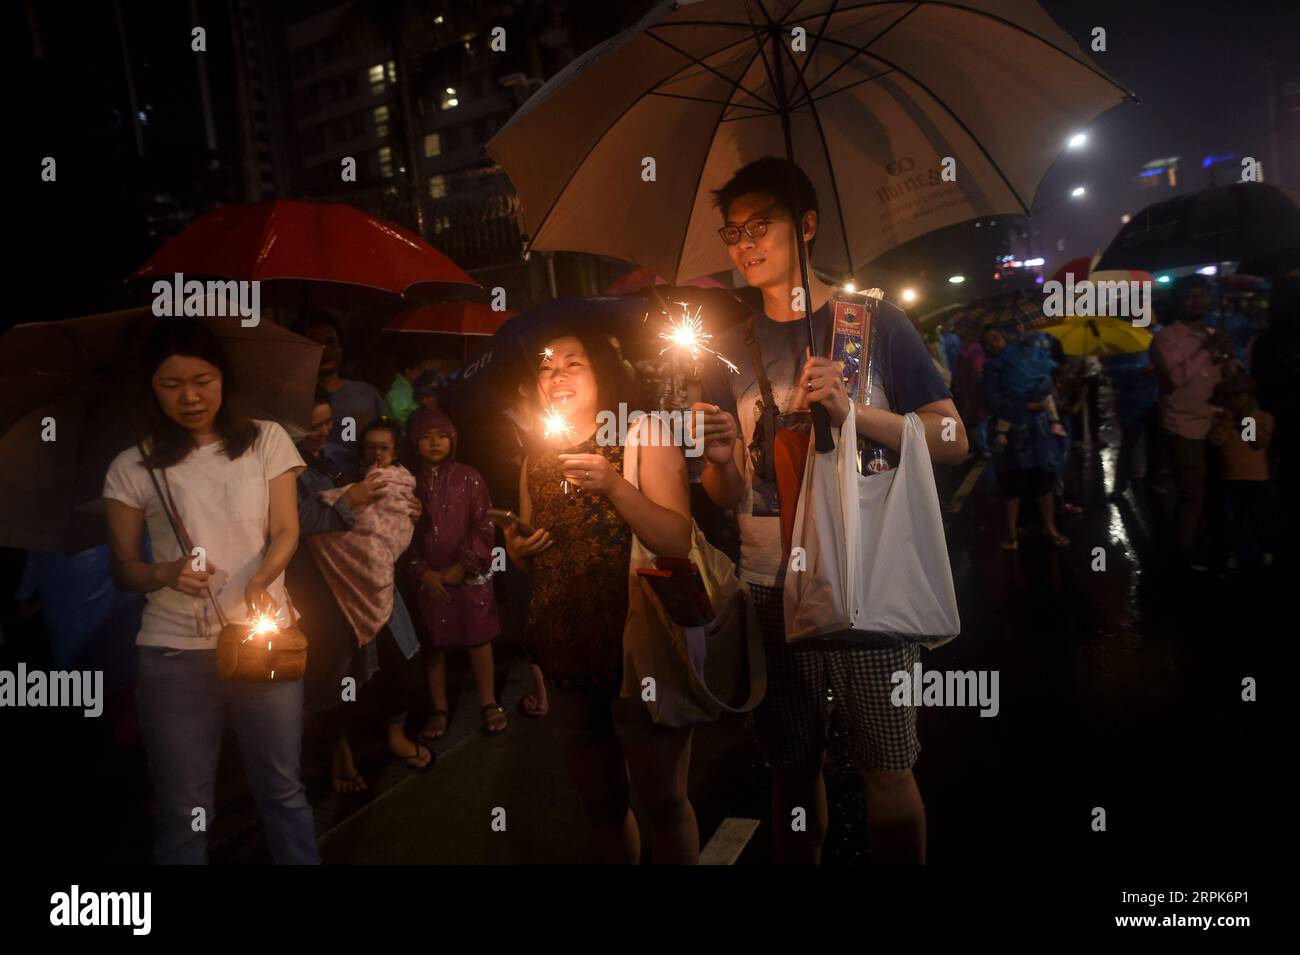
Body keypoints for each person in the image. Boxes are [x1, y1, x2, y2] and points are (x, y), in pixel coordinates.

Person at [693, 157, 968, 865]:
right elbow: (727, 497)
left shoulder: (872, 324)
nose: (744, 243)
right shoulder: (726, 352)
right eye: (732, 231)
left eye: (762, 225)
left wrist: (854, 410)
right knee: (790, 767)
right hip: (769, 582)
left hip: (866, 569)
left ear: (808, 225)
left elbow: (950, 437)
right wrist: (720, 460)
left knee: (888, 765)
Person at [102, 318, 318, 864]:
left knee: (283, 789)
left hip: (264, 643)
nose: (191, 397)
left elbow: (287, 529)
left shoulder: (267, 439)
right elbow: (124, 568)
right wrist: (163, 572)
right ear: (150, 390)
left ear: (225, 378)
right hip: (174, 655)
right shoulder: (133, 468)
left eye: (203, 380)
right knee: (184, 807)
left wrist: (263, 578)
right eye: (171, 386)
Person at [504, 327, 698, 864]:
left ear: (602, 374)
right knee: (602, 806)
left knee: (664, 802)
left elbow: (677, 539)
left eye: (574, 362)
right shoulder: (534, 459)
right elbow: (528, 543)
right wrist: (516, 546)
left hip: (640, 647)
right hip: (567, 653)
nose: (557, 373)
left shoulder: (641, 434)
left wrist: (614, 485)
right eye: (546, 366)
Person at [289, 398, 431, 794]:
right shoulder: (283, 467)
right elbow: (290, 521)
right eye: (311, 424)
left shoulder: (340, 456)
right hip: (319, 583)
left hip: (371, 575)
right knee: (332, 671)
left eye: (327, 422)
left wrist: (408, 509)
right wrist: (349, 501)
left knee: (396, 654)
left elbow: (381, 496)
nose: (321, 431)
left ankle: (395, 733)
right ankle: (340, 752)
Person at [405, 408, 506, 741]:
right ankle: (439, 708)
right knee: (434, 644)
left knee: (478, 638)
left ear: (453, 439)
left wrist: (463, 565)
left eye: (442, 435)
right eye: (425, 436)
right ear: (413, 441)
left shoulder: (470, 477)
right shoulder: (406, 481)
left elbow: (484, 524)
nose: (435, 442)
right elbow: (397, 532)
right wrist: (423, 572)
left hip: (467, 574)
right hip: (428, 579)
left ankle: (489, 701)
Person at [1149, 275, 1237, 571]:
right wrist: (1205, 350)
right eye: (1190, 295)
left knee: (1217, 490)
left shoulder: (1213, 334)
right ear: (1178, 301)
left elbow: (1229, 378)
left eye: (1203, 294)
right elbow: (1174, 379)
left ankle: (1216, 543)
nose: (1198, 300)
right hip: (1183, 427)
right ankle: (1183, 554)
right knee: (1192, 494)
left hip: (1217, 424)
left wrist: (1227, 356)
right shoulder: (1165, 339)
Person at [981, 327, 1070, 550]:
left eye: (996, 337)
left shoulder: (1030, 357)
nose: (993, 343)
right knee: (1013, 483)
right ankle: (1012, 534)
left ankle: (1050, 527)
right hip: (1011, 436)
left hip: (1038, 431)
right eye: (987, 342)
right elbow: (995, 402)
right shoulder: (991, 370)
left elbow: (1045, 382)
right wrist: (1028, 405)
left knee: (1043, 480)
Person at [295, 311, 389, 476]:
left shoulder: (366, 395)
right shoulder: (293, 400)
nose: (324, 350)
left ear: (341, 346)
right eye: (314, 343)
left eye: (330, 342)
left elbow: (388, 440)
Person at [1207, 373, 1276, 571]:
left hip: (1256, 479)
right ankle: (1234, 553)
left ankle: (1265, 550)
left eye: (1238, 396)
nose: (1233, 402)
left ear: (1250, 397)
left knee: (1259, 517)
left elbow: (1255, 443)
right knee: (1232, 520)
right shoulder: (1225, 420)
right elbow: (1216, 441)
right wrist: (1226, 423)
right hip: (1230, 477)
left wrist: (1245, 420)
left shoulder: (1264, 418)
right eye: (1230, 397)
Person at [1102, 349, 1161, 501]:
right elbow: (1113, 371)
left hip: (1153, 399)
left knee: (1154, 443)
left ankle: (1152, 480)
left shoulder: (1153, 339)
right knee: (1128, 444)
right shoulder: (1121, 345)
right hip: (1131, 403)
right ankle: (1119, 486)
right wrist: (1140, 371)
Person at [386, 349, 436, 428]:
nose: (421, 373)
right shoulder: (397, 392)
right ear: (408, 371)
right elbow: (402, 420)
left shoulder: (410, 389)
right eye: (418, 369)